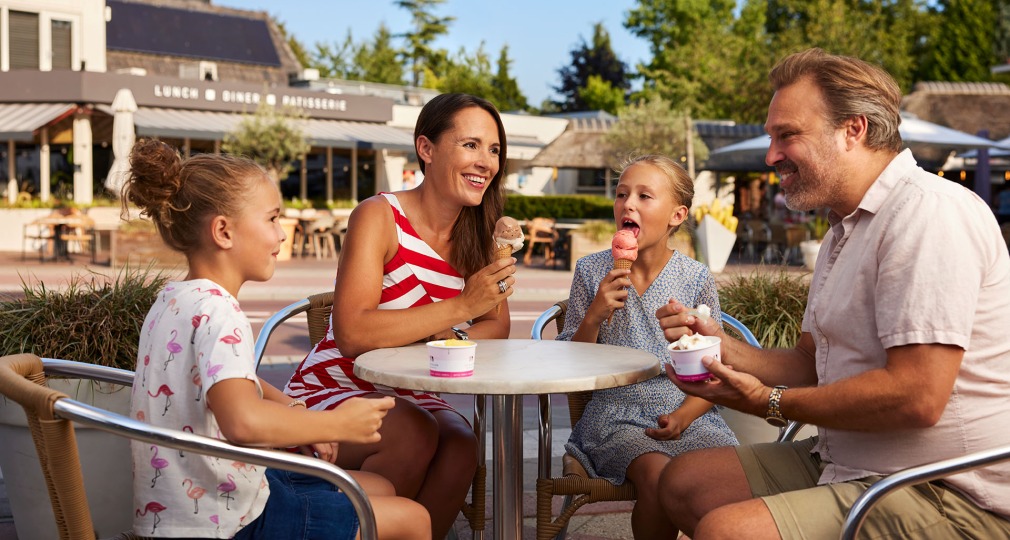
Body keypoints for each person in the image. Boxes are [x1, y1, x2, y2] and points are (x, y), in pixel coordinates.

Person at [655, 48, 1010, 539]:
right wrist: (719, 348)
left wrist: (771, 403)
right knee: (683, 482)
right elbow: (810, 360)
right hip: (852, 460)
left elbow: (919, 396)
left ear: (853, 130)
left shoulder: (928, 214)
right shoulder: (844, 229)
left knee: (728, 531)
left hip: (948, 489)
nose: (771, 155)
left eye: (787, 135)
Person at [123, 139, 430, 539]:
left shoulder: (173, 298)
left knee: (381, 488)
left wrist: (291, 407)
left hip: (191, 505)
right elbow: (243, 422)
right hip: (227, 522)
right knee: (413, 520)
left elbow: (222, 379)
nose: (281, 234)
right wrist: (332, 422)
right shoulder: (221, 312)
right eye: (271, 219)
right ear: (223, 231)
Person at [283, 93, 516, 538]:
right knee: (412, 432)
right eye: (470, 145)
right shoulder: (378, 216)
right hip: (336, 386)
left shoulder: (483, 231)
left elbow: (496, 326)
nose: (486, 161)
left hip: (412, 388)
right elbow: (352, 332)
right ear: (426, 149)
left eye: (494, 149)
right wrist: (461, 309)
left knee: (462, 446)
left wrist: (440, 334)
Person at [556, 154, 738, 539]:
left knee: (730, 483)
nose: (628, 204)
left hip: (690, 411)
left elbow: (715, 369)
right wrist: (593, 315)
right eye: (622, 194)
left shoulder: (694, 277)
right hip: (614, 414)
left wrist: (685, 415)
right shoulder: (592, 271)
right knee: (658, 478)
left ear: (676, 215)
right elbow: (568, 365)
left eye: (644, 196)